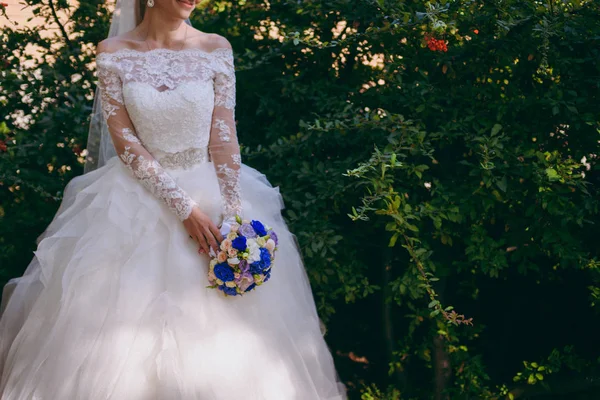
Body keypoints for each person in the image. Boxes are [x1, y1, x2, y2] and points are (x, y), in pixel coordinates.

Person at [0, 0, 347, 398]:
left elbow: (224, 134)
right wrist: (184, 208)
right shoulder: (113, 53)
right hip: (133, 200)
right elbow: (125, 141)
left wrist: (234, 215)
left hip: (214, 190)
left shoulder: (215, 48)